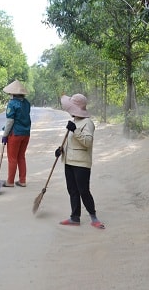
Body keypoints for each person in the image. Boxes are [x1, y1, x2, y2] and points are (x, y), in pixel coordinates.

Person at [55, 93, 105, 229]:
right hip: (69, 162)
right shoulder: (76, 120)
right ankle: (75, 217)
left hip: (81, 164)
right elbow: (72, 143)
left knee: (83, 191)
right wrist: (61, 150)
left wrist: (75, 130)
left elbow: (87, 142)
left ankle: (94, 217)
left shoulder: (88, 123)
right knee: (72, 190)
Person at [1, 79, 31, 187]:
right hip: (26, 134)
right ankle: (22, 180)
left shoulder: (12, 104)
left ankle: (10, 182)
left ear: (12, 93)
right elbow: (21, 117)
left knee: (12, 158)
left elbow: (10, 121)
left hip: (15, 134)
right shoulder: (27, 103)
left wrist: (5, 135)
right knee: (21, 157)